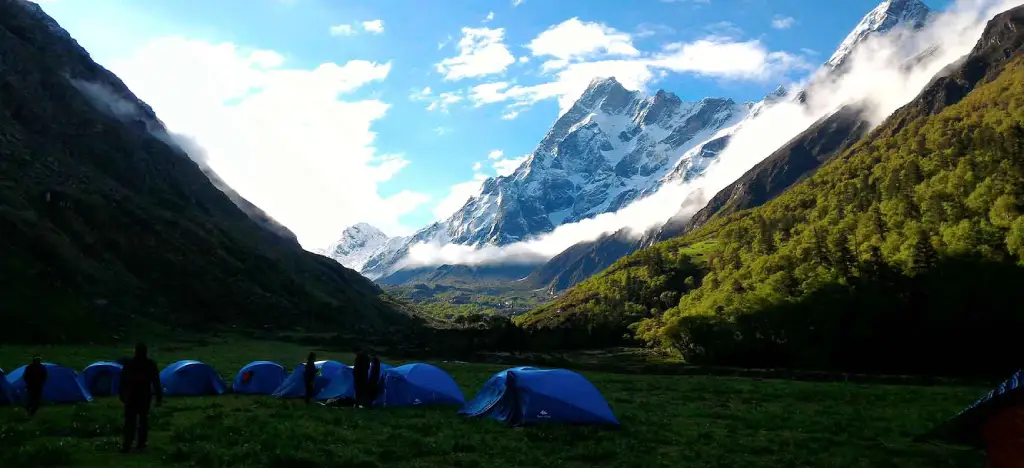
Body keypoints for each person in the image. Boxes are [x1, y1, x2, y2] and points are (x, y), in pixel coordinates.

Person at [118, 343, 162, 453]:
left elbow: (123, 381)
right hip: (144, 396)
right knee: (143, 420)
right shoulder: (150, 364)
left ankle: (127, 444)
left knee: (130, 421)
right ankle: (140, 443)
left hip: (132, 396)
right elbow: (156, 382)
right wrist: (158, 397)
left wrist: (122, 394)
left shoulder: (130, 364)